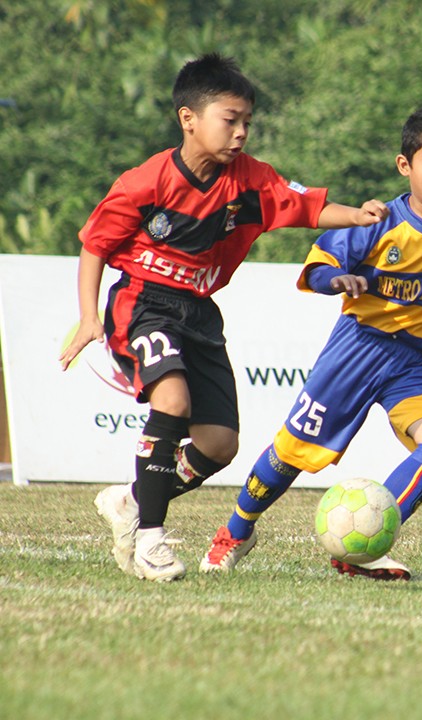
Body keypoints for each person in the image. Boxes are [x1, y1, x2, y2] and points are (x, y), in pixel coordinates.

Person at [199, 104, 422, 580]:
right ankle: (237, 530)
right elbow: (319, 269)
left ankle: (366, 545)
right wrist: (339, 282)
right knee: (292, 452)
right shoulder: (376, 220)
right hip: (359, 348)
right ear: (405, 166)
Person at [58, 53, 389, 582]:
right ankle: (150, 542)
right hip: (144, 303)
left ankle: (129, 499)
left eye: (247, 123)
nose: (240, 133)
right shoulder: (146, 182)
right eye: (229, 120)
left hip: (199, 315)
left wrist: (359, 214)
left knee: (218, 445)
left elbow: (304, 207)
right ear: (189, 119)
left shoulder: (250, 181)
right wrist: (88, 316)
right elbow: (95, 246)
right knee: (172, 401)